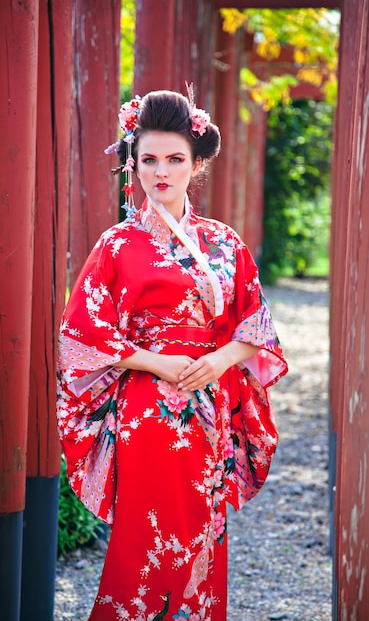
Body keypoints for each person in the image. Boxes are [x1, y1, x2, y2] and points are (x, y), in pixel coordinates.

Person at [57, 87, 288, 621]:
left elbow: (257, 324)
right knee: (144, 535)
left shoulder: (224, 244)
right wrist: (154, 362)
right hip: (147, 413)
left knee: (201, 533)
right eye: (149, 160)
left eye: (175, 159)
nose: (161, 172)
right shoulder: (117, 245)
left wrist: (222, 359)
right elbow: (80, 335)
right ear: (133, 164)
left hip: (208, 410)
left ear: (196, 163)